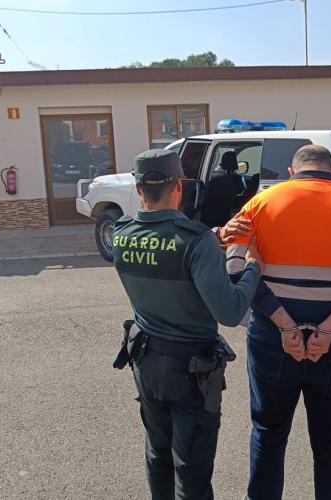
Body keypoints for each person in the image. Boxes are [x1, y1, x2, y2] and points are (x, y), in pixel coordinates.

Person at [222, 145, 331, 500]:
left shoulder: (258, 204)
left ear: (292, 172)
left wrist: (286, 325)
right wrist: (330, 327)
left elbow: (235, 274)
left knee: (268, 434)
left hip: (273, 341)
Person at [112, 149, 263, 500]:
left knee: (158, 455)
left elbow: (166, 242)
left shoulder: (121, 234)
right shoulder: (195, 242)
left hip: (146, 361)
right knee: (191, 471)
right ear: (180, 186)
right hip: (191, 373)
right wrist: (253, 266)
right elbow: (229, 312)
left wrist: (216, 235)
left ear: (138, 189)